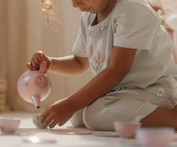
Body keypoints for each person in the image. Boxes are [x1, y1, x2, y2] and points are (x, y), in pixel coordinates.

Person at [27, 0, 177, 131]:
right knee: (78, 116)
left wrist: (71, 103)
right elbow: (79, 63)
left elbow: (117, 71)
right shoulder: (88, 17)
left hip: (153, 90)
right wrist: (50, 64)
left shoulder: (131, 10)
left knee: (93, 116)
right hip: (122, 92)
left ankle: (173, 118)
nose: (74, 4)